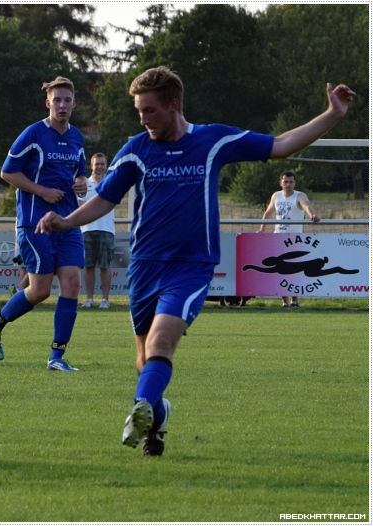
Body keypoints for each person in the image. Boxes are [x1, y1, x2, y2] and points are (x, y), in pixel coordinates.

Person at [37, 66, 354, 456]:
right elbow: (105, 199)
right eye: (139, 110)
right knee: (144, 358)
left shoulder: (212, 140)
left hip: (191, 267)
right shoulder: (137, 149)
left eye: (150, 110)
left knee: (162, 341)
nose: (143, 118)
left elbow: (282, 144)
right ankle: (156, 417)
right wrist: (66, 221)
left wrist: (333, 114)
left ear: (173, 105)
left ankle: (138, 410)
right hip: (145, 267)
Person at [0, 76, 88, 372]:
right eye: (58, 100)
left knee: (72, 283)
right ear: (48, 103)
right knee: (40, 290)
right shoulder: (33, 134)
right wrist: (41, 191)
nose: (63, 105)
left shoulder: (77, 137)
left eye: (67, 100)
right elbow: (7, 172)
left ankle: (57, 356)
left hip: (66, 222)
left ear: (74, 103)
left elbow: (79, 173)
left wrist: (80, 184)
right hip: (34, 223)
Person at [258, 171, 321, 308]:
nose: (288, 184)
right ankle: (284, 301)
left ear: (295, 183)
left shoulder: (300, 195)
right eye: (285, 182)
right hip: (278, 236)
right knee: (279, 270)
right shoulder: (276, 196)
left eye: (291, 182)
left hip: (294, 239)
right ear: (280, 182)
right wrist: (262, 229)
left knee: (295, 270)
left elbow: (306, 206)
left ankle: (295, 300)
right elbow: (268, 212)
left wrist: (312, 215)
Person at [79, 152, 116, 310]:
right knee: (88, 267)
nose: (99, 167)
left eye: (102, 164)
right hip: (87, 229)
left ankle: (105, 300)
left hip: (106, 230)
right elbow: (79, 205)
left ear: (106, 165)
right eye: (97, 164)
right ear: (91, 165)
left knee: (105, 267)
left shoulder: (112, 182)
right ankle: (89, 299)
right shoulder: (84, 184)